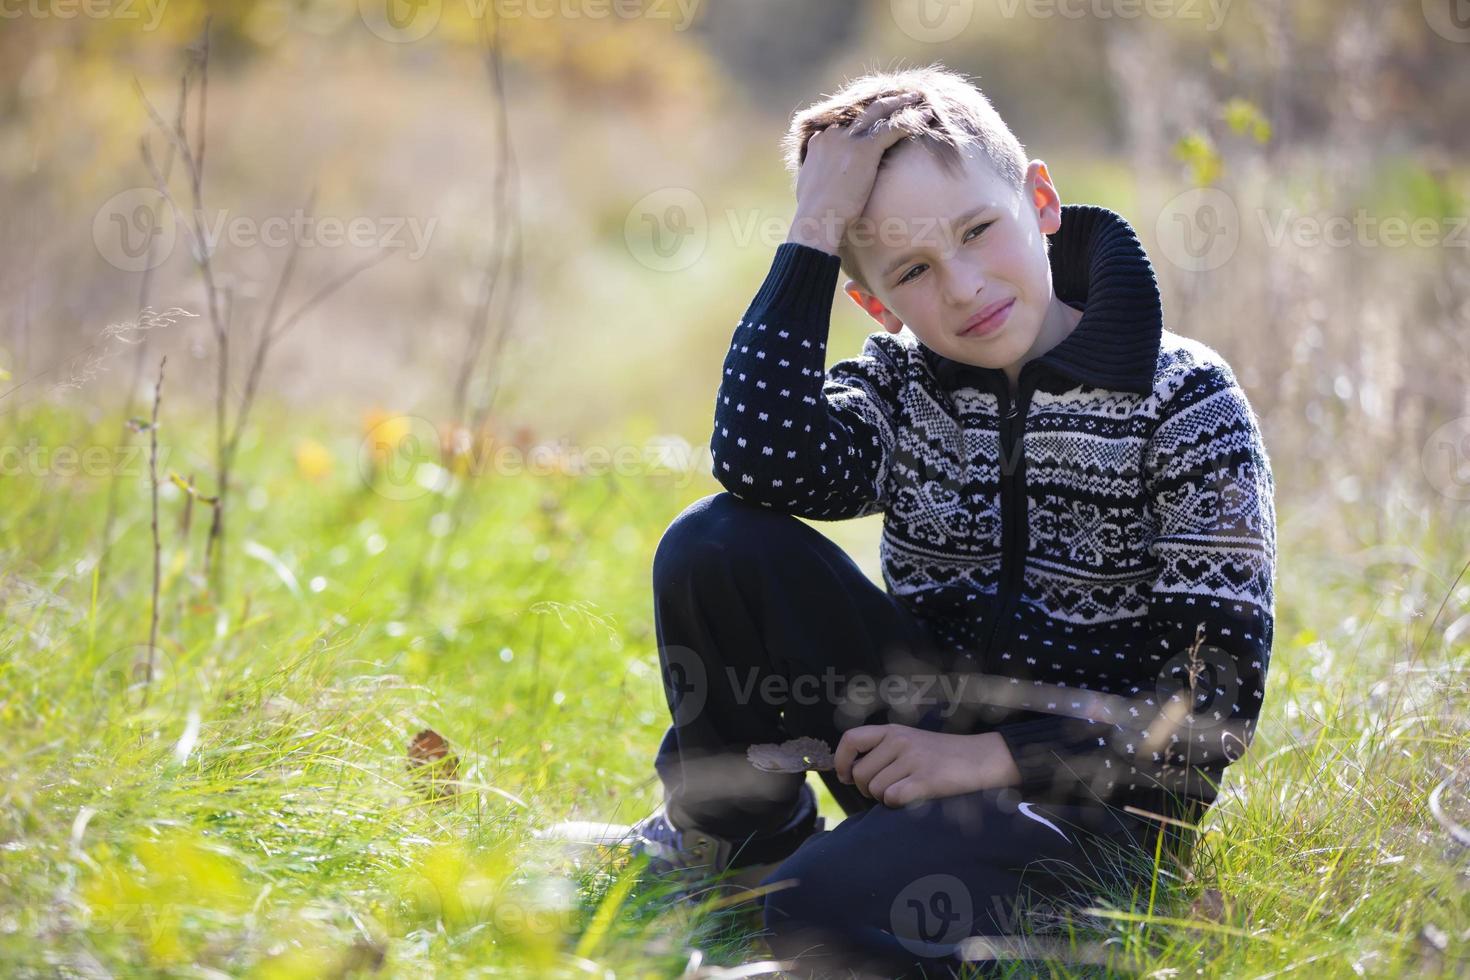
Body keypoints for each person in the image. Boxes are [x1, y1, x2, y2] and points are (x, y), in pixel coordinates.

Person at [629, 63, 1277, 978]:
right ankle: (737, 849)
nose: (966, 288)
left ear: (1040, 199)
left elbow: (1211, 702)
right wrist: (813, 229)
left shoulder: (1185, 403)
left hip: (1091, 812)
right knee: (715, 543)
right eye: (914, 272)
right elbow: (760, 459)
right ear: (873, 302)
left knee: (820, 905)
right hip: (916, 758)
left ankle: (865, 917)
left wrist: (986, 761)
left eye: (979, 230)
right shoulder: (904, 387)